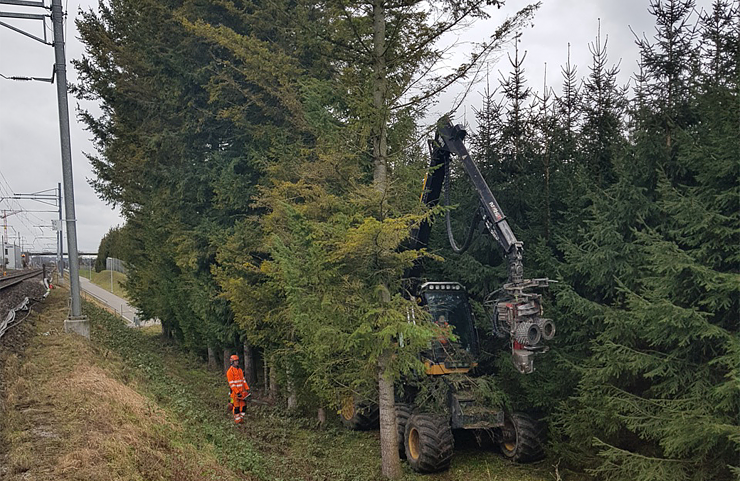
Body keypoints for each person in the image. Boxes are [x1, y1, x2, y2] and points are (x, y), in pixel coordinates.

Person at [227, 354, 250, 424]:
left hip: (242, 392)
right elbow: (232, 384)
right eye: (235, 361)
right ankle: (237, 421)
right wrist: (237, 392)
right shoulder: (230, 372)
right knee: (236, 407)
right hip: (234, 393)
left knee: (243, 407)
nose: (237, 362)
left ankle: (241, 419)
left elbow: (243, 380)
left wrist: (247, 389)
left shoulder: (240, 370)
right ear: (232, 362)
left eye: (237, 361)